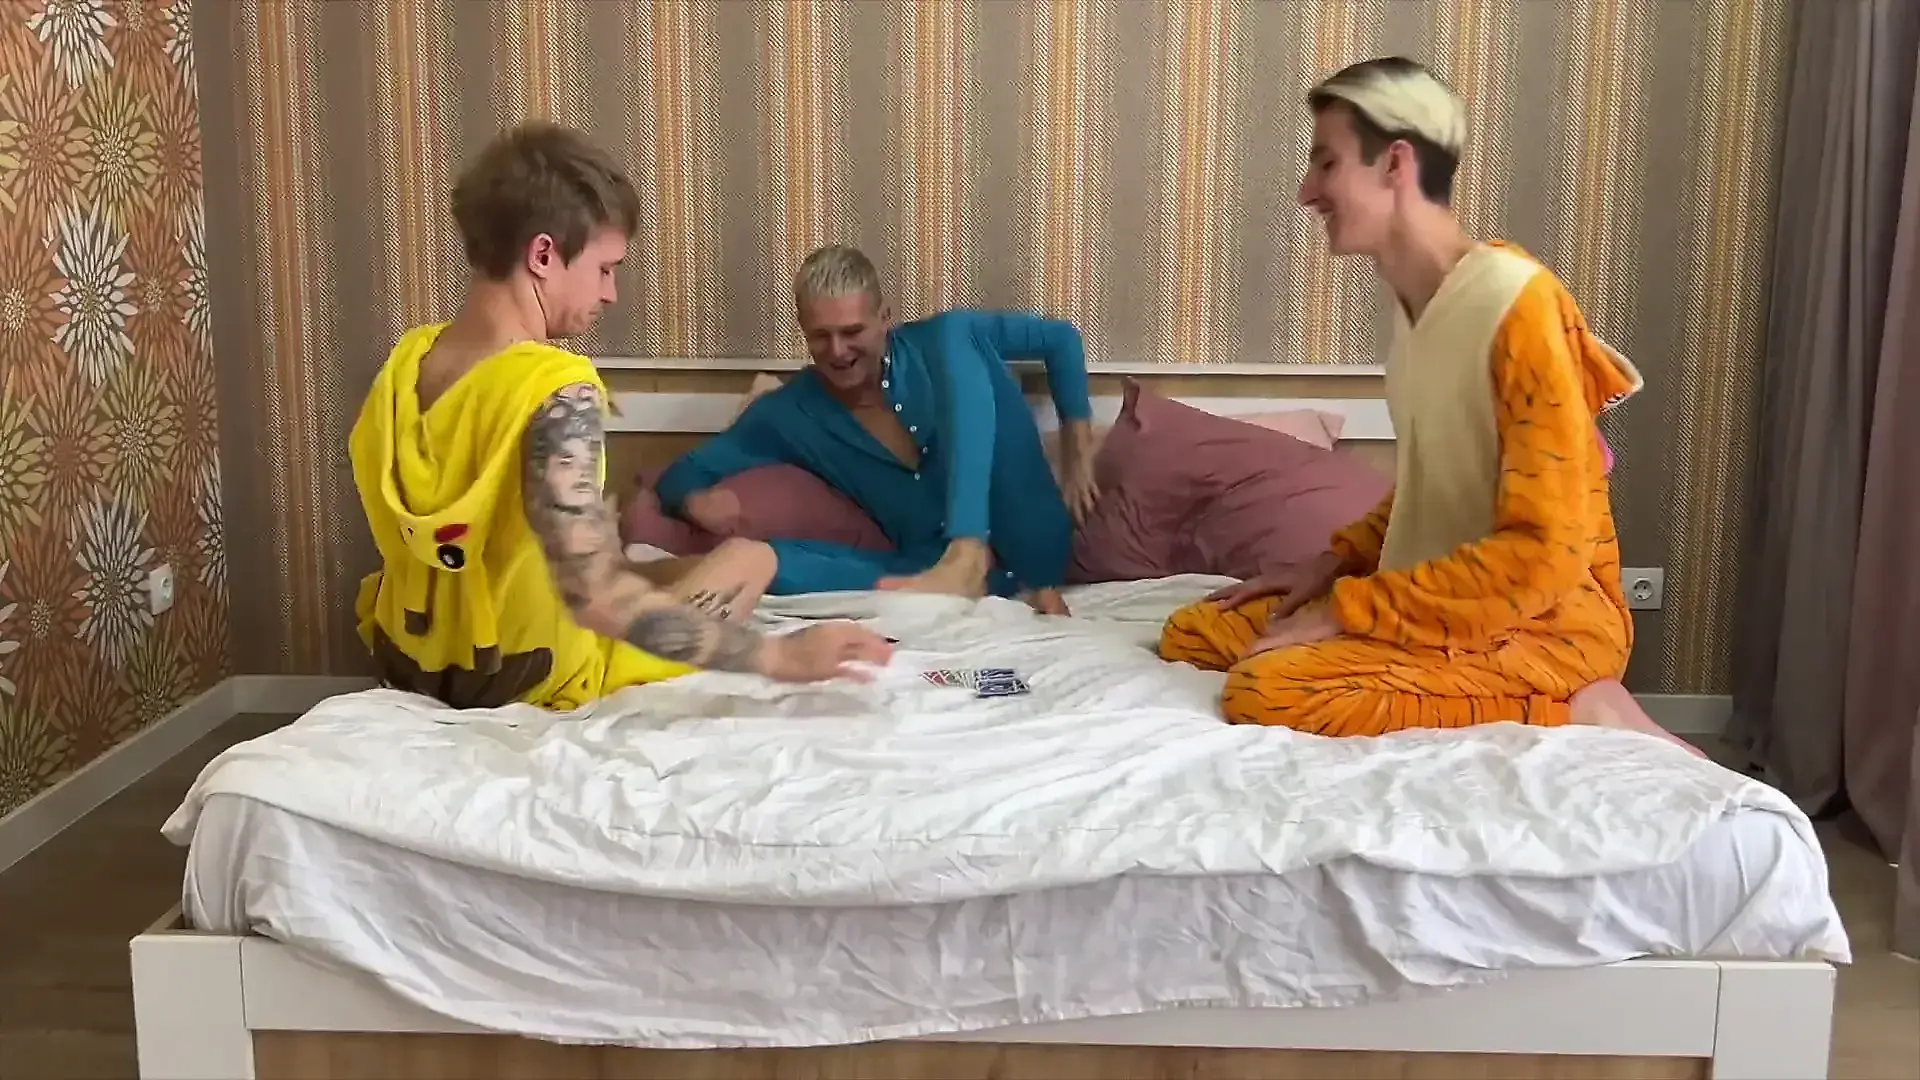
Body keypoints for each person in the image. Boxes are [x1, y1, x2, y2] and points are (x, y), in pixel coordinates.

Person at [1157, 58, 1697, 754]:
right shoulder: (1418, 311)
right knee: (1196, 634)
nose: (1306, 190)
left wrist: (1350, 612)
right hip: (1433, 599)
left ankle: (1582, 709)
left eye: (1327, 162)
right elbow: (1438, 486)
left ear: (1395, 164)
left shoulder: (1518, 305)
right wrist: (1333, 565)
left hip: (1542, 624)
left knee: (1268, 689)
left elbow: (1545, 555)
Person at [347, 122, 893, 711]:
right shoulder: (555, 389)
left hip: (415, 661)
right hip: (527, 676)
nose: (609, 293)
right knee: (744, 565)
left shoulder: (408, 362)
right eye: (605, 268)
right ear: (543, 255)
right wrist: (780, 657)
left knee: (678, 565)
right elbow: (593, 596)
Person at [653, 244, 1099, 615]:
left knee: (954, 335)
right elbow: (682, 472)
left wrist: (1078, 454)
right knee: (760, 557)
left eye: (852, 331)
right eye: (821, 336)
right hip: (924, 574)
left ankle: (967, 551)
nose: (837, 350)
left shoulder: (940, 347)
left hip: (1031, 541)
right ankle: (985, 586)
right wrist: (695, 500)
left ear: (885, 318)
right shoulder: (790, 412)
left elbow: (1062, 340)